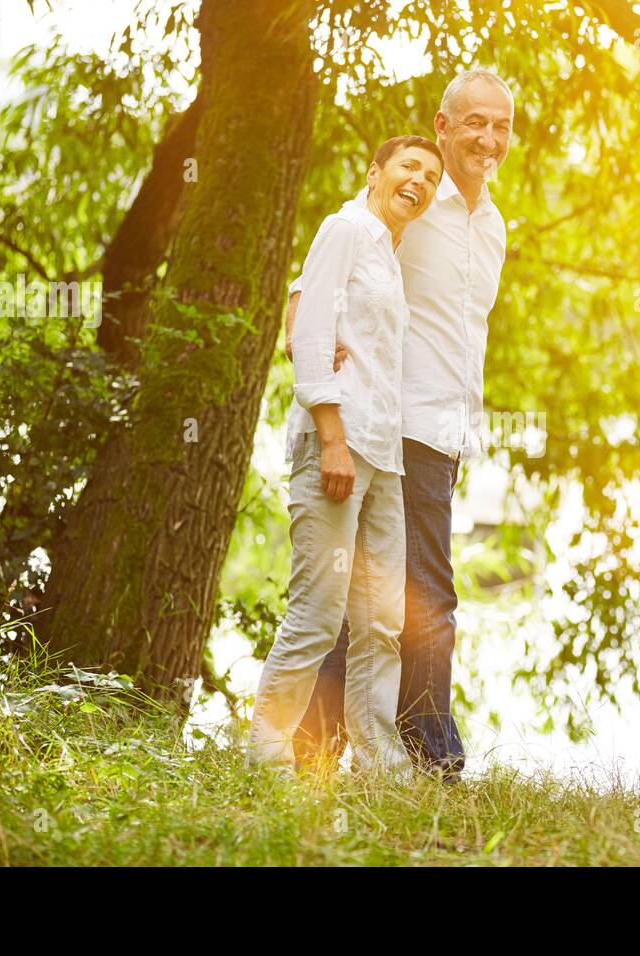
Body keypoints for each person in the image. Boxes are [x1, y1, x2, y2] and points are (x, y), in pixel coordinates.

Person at [284, 70, 513, 780]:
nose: (488, 138)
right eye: (474, 122)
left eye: (501, 126)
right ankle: (429, 753)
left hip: (444, 436)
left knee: (374, 597)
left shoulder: (494, 225)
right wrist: (309, 341)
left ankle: (320, 743)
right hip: (395, 422)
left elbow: (462, 335)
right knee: (429, 596)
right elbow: (320, 278)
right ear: (443, 127)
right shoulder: (411, 199)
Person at [247, 136, 445, 774]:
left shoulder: (389, 251)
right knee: (317, 611)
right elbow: (307, 334)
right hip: (339, 446)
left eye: (431, 176)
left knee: (381, 618)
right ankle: (268, 759)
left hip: (384, 459)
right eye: (409, 166)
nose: (420, 180)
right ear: (376, 172)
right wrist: (332, 439)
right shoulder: (346, 229)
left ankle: (380, 761)